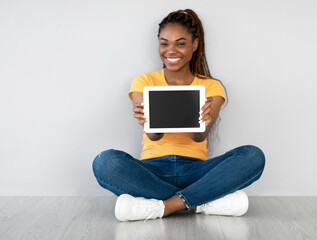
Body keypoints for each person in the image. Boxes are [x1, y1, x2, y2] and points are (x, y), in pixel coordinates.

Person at [92, 9, 265, 222]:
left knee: (253, 156)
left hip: (197, 170)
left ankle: (162, 207)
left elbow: (199, 138)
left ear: (194, 44)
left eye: (180, 43)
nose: (171, 50)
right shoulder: (143, 81)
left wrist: (203, 121)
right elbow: (154, 137)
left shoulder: (211, 86)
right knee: (105, 162)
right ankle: (198, 203)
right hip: (152, 170)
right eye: (164, 43)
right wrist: (149, 123)